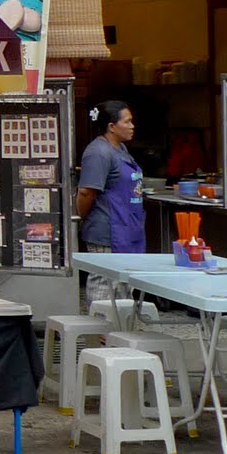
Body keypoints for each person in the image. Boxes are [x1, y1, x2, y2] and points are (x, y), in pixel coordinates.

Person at [76, 100, 145, 306]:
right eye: (127, 121)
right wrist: (83, 218)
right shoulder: (99, 152)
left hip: (127, 227)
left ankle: (120, 335)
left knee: (123, 288)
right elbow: (86, 192)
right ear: (111, 127)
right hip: (107, 231)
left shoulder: (121, 149)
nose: (132, 126)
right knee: (105, 288)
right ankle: (100, 335)